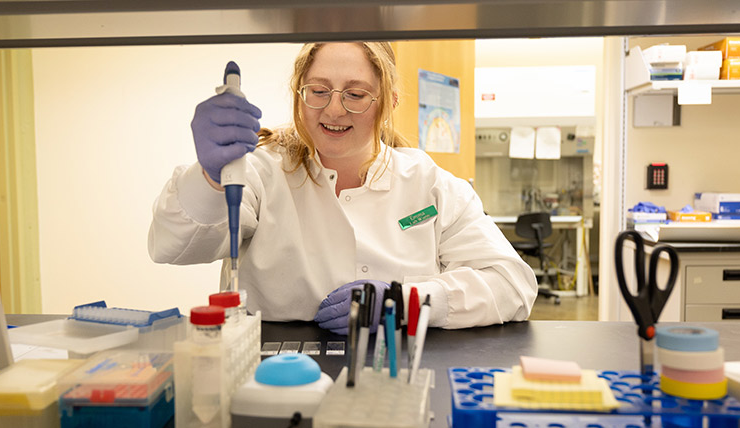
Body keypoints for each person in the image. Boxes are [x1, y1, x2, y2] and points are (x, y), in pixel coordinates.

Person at [148, 42, 538, 334]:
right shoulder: (261, 172)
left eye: (355, 94)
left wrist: (402, 303)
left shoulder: (427, 182)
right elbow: (171, 245)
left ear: (389, 101)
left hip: (397, 369)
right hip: (274, 375)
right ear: (299, 96)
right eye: (318, 91)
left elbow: (512, 285)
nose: (334, 110)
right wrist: (210, 175)